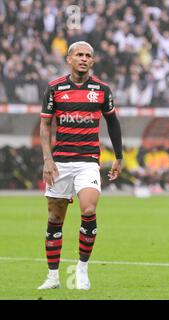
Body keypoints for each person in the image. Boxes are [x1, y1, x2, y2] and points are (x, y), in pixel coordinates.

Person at [38, 41, 123, 290]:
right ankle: (53, 276)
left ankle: (82, 268)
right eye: (79, 55)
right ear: (69, 59)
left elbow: (113, 122)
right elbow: (45, 125)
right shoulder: (54, 88)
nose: (84, 59)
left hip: (88, 162)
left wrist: (118, 156)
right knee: (55, 218)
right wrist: (47, 160)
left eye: (88, 55)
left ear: (92, 61)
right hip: (60, 162)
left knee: (88, 210)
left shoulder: (102, 90)